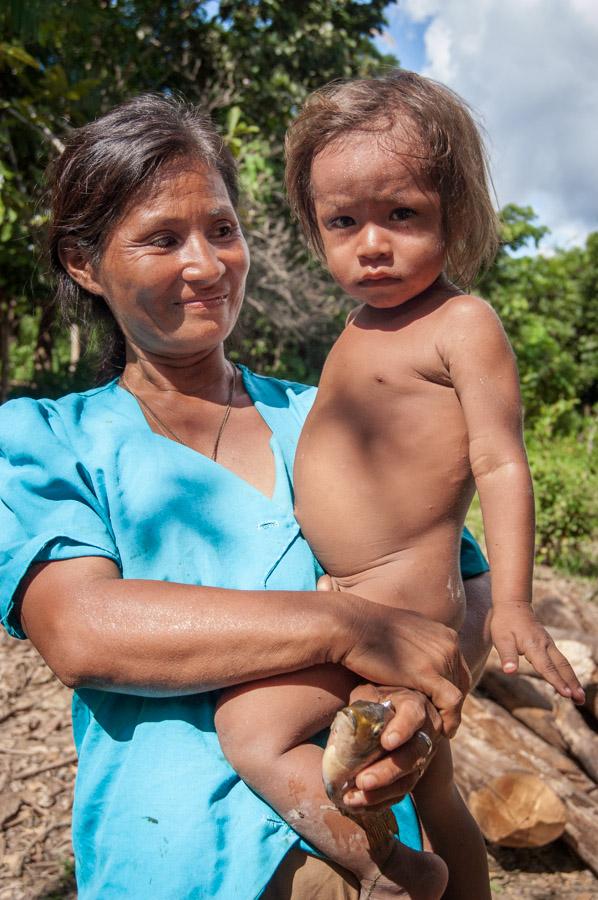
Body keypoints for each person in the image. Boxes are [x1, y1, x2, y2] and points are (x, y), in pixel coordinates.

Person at [0, 93, 492, 900]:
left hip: (381, 865)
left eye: (221, 230)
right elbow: (83, 629)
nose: (206, 264)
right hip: (171, 867)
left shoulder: (335, 411)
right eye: (162, 238)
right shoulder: (46, 439)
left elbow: (460, 584)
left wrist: (413, 701)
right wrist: (346, 626)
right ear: (85, 264)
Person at [213, 71, 586, 900]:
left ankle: (385, 869)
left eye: (401, 215)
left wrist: (515, 603)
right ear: (316, 229)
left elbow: (501, 462)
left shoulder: (461, 323)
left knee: (249, 727)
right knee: (437, 784)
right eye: (344, 222)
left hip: (401, 612)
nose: (371, 244)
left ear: (454, 219)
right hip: (352, 599)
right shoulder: (359, 324)